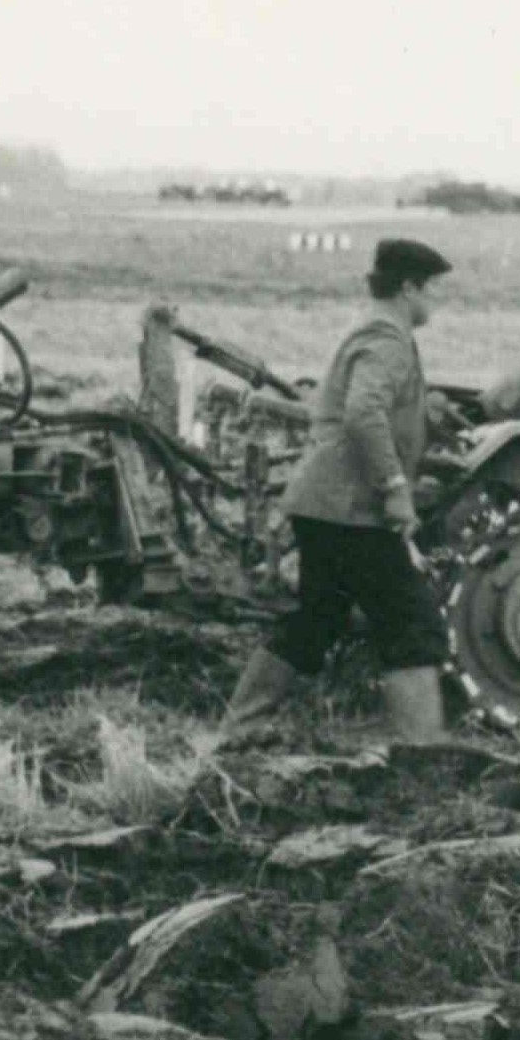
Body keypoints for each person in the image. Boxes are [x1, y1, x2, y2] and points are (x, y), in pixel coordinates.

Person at [222, 237, 455, 745]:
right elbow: (363, 412)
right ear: (409, 287)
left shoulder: (374, 329)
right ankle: (427, 753)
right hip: (353, 509)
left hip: (324, 504)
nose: (437, 300)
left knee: (317, 618)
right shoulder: (386, 336)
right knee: (413, 623)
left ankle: (237, 731)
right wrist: (395, 486)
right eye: (434, 289)